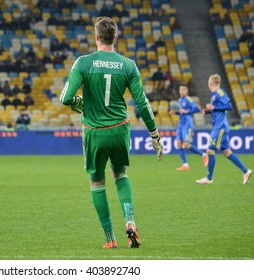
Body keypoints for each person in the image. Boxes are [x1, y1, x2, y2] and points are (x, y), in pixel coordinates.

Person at [60, 17, 163, 249]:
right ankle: (130, 222)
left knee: (97, 183)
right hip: (119, 130)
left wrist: (81, 103)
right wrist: (154, 134)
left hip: (94, 132)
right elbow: (142, 103)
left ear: (96, 37)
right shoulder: (128, 65)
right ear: (115, 38)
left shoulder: (84, 63)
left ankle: (110, 239)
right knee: (121, 175)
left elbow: (65, 98)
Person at [196, 74, 252, 185]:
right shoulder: (214, 95)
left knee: (210, 150)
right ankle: (246, 171)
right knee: (226, 151)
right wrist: (208, 111)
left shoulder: (220, 92)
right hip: (220, 126)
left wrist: (214, 107)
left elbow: (229, 106)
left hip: (220, 127)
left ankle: (209, 178)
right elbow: (218, 110)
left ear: (211, 83)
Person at [169, 84, 208, 171]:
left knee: (186, 145)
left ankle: (204, 155)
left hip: (187, 123)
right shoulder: (180, 100)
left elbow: (197, 109)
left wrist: (187, 111)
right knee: (179, 143)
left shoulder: (188, 99)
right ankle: (185, 165)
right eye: (180, 90)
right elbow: (182, 112)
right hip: (181, 123)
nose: (182, 91)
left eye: (183, 89)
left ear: (187, 91)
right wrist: (175, 113)